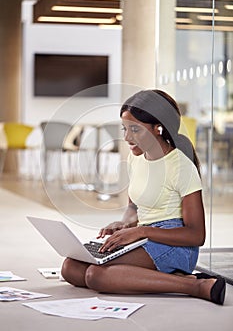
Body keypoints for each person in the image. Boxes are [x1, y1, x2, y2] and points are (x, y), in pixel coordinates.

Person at [61, 89, 226, 305]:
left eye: (135, 129)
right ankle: (168, 278)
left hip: (175, 245)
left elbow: (196, 235)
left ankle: (196, 285)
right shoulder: (136, 159)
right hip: (145, 235)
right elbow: (134, 208)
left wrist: (140, 231)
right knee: (70, 267)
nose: (127, 138)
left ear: (158, 128)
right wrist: (123, 224)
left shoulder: (181, 167)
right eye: (125, 129)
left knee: (96, 275)